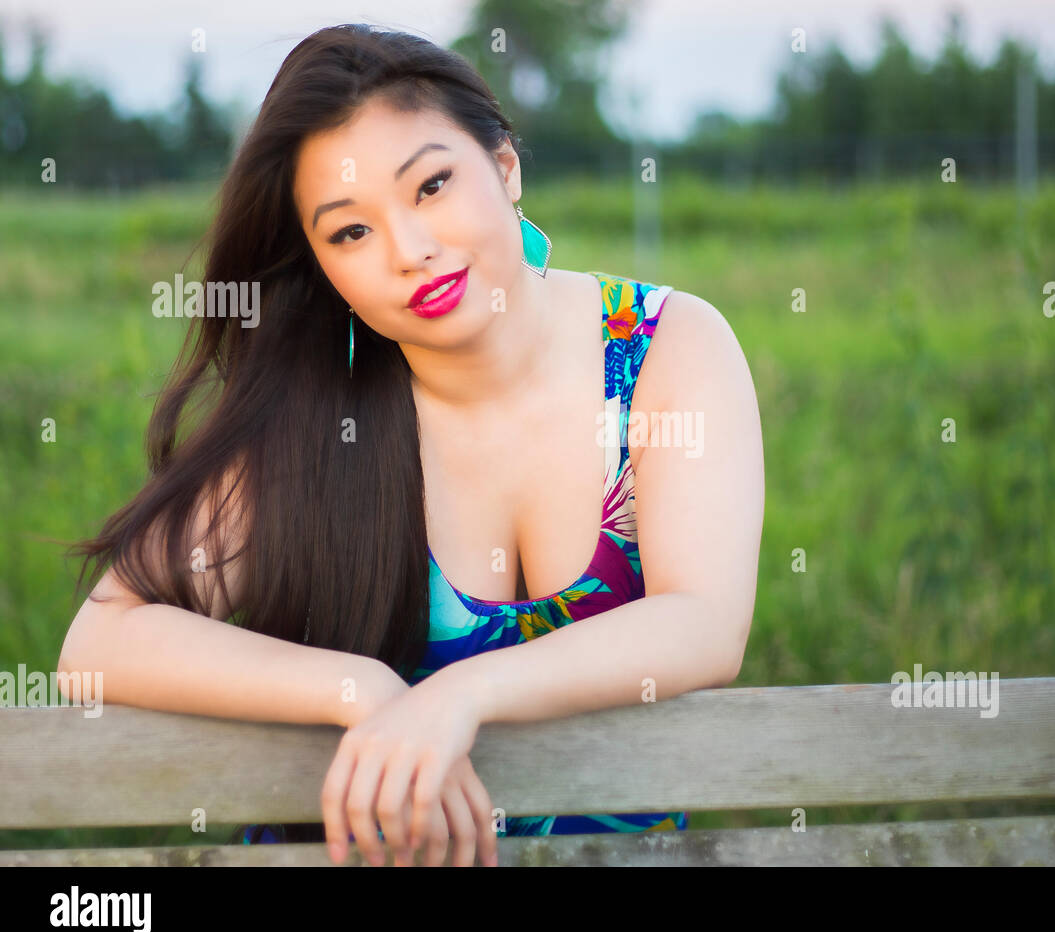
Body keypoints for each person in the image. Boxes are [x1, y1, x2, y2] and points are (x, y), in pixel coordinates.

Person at [61, 23, 764, 867]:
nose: (409, 252)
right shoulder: (317, 419)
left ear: (504, 167)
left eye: (431, 186)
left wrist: (461, 696)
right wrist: (364, 692)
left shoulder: (665, 351)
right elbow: (98, 644)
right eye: (349, 232)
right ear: (323, 267)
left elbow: (704, 624)